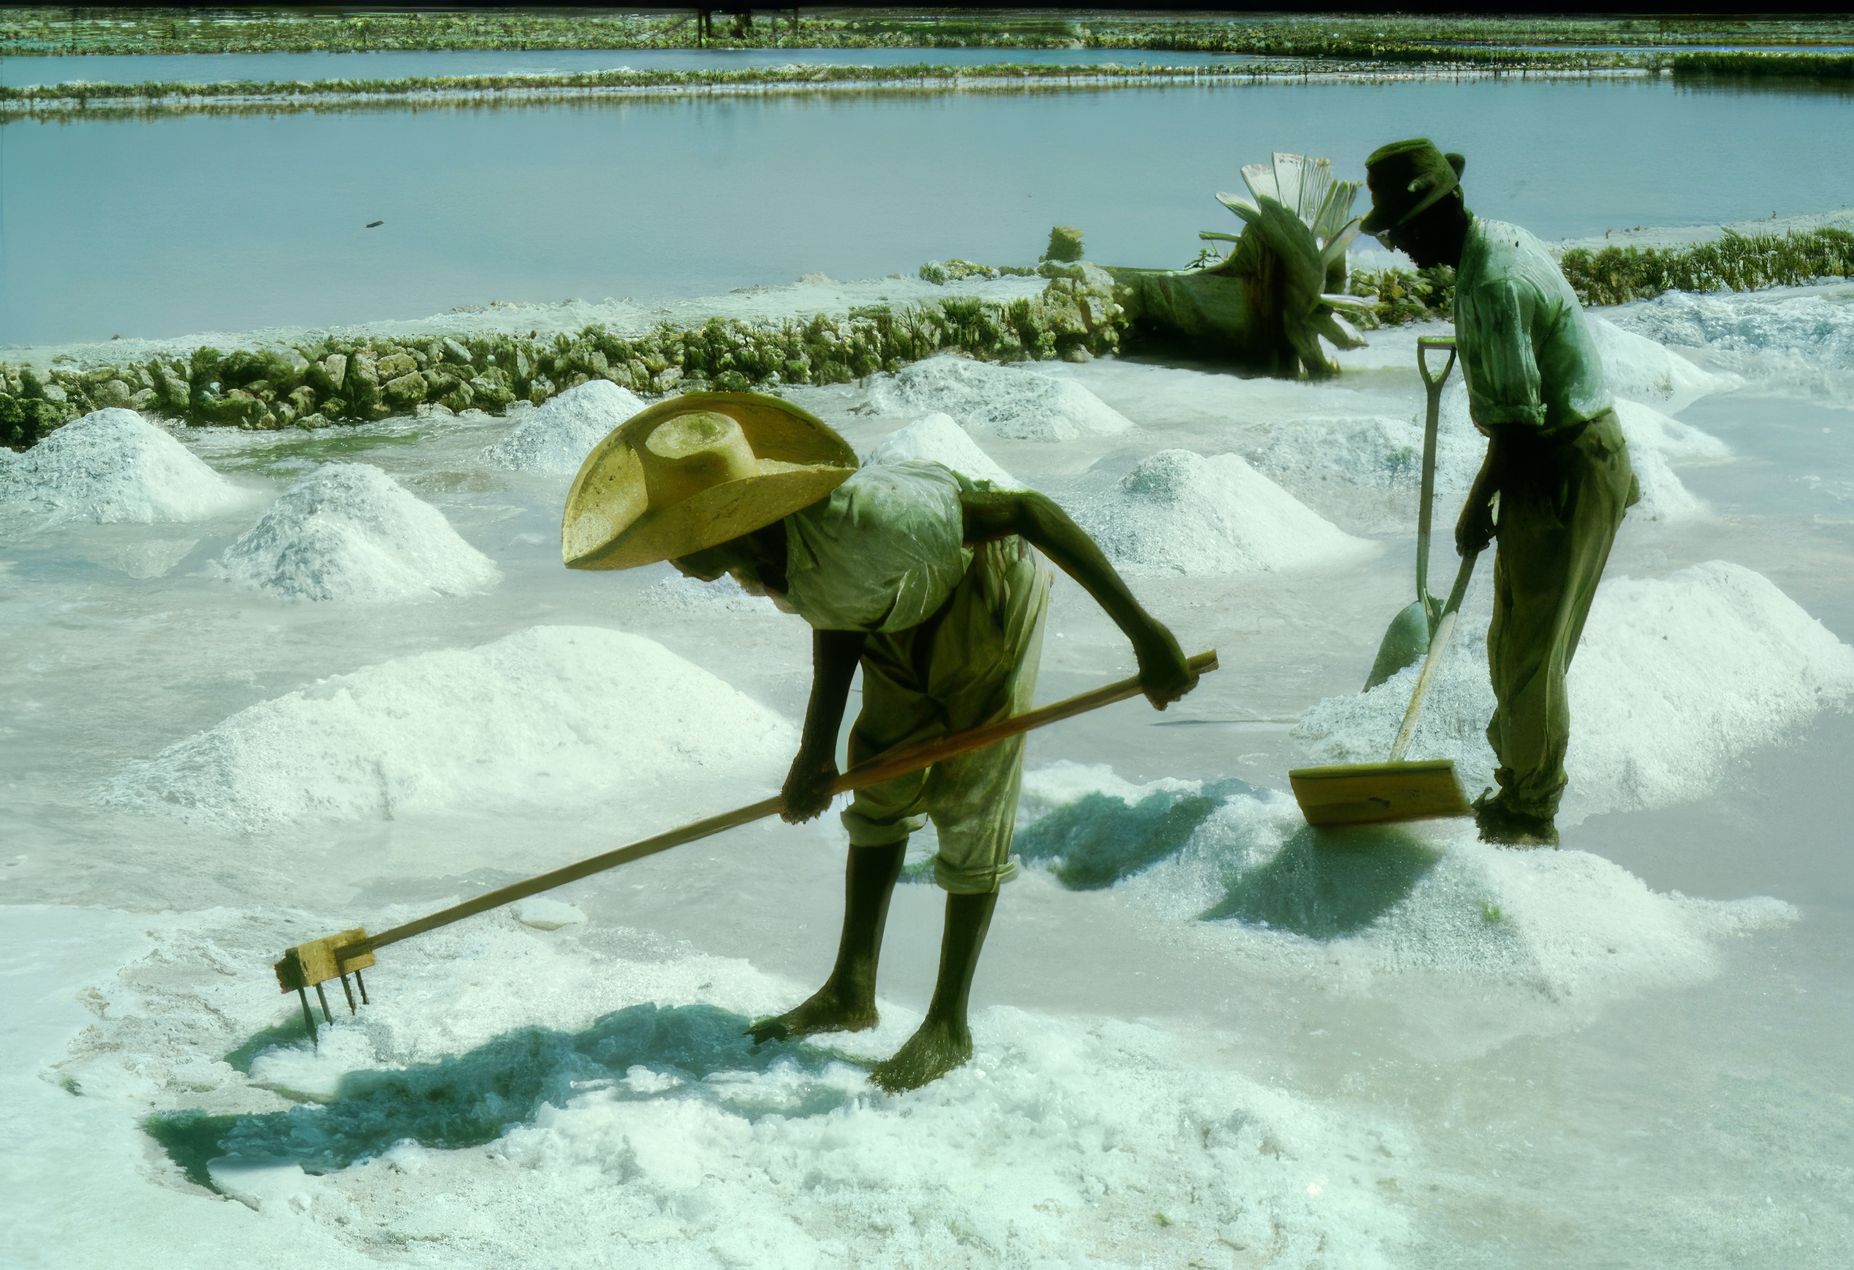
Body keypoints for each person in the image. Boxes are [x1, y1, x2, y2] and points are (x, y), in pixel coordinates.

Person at [562, 391, 1199, 1090]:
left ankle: (949, 1023)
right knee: (877, 782)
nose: (674, 562)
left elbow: (1030, 511)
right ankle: (850, 990)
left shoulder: (870, 519)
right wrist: (817, 750)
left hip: (981, 593)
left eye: (682, 542)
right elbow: (837, 608)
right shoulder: (767, 552)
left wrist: (1146, 636)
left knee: (971, 799)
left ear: (731, 524)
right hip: (894, 607)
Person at [1357, 139, 1639, 848]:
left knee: (1531, 654)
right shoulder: (1495, 245)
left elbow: (1518, 422)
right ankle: (1519, 784)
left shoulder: (1494, 281)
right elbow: (1516, 418)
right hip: (1556, 455)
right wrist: (1490, 497)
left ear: (1444, 208)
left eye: (1405, 231)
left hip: (1565, 464)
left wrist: (1475, 503)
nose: (1400, 249)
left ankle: (1531, 813)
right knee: (1513, 640)